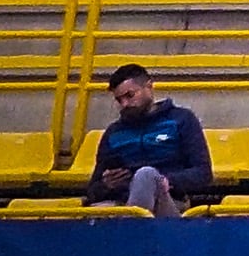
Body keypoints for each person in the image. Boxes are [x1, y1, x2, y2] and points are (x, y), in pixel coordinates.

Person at [85, 65, 212, 213]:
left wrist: (166, 181)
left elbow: (203, 173)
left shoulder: (181, 119)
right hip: (122, 202)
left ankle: (132, 227)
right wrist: (106, 185)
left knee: (146, 175)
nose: (125, 104)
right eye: (119, 100)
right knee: (95, 212)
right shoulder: (114, 132)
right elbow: (92, 191)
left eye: (130, 95)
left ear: (149, 86)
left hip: (168, 201)